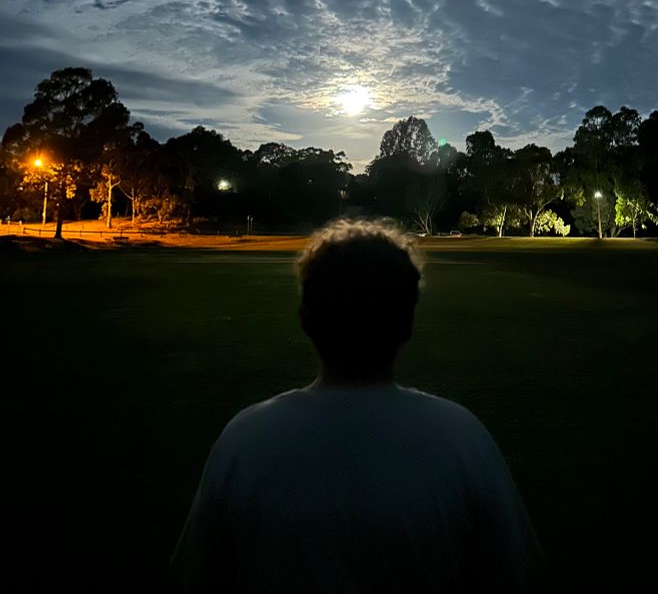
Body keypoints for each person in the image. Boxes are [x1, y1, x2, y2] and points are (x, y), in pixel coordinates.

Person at [171, 218, 544, 593]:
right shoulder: (463, 439)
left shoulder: (244, 440)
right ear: (407, 323)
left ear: (306, 319)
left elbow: (197, 575)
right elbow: (514, 573)